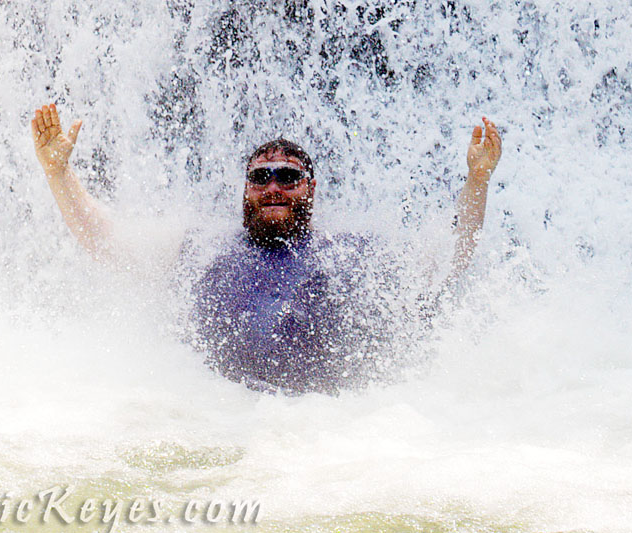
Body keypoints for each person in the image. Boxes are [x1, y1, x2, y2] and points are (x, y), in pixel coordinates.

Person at [30, 104, 502, 392]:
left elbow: (448, 257)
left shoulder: (349, 255)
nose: (273, 186)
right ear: (245, 189)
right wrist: (58, 174)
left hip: (321, 432)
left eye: (288, 176)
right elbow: (106, 241)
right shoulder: (198, 250)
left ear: (310, 188)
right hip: (217, 421)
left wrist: (477, 180)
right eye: (260, 177)